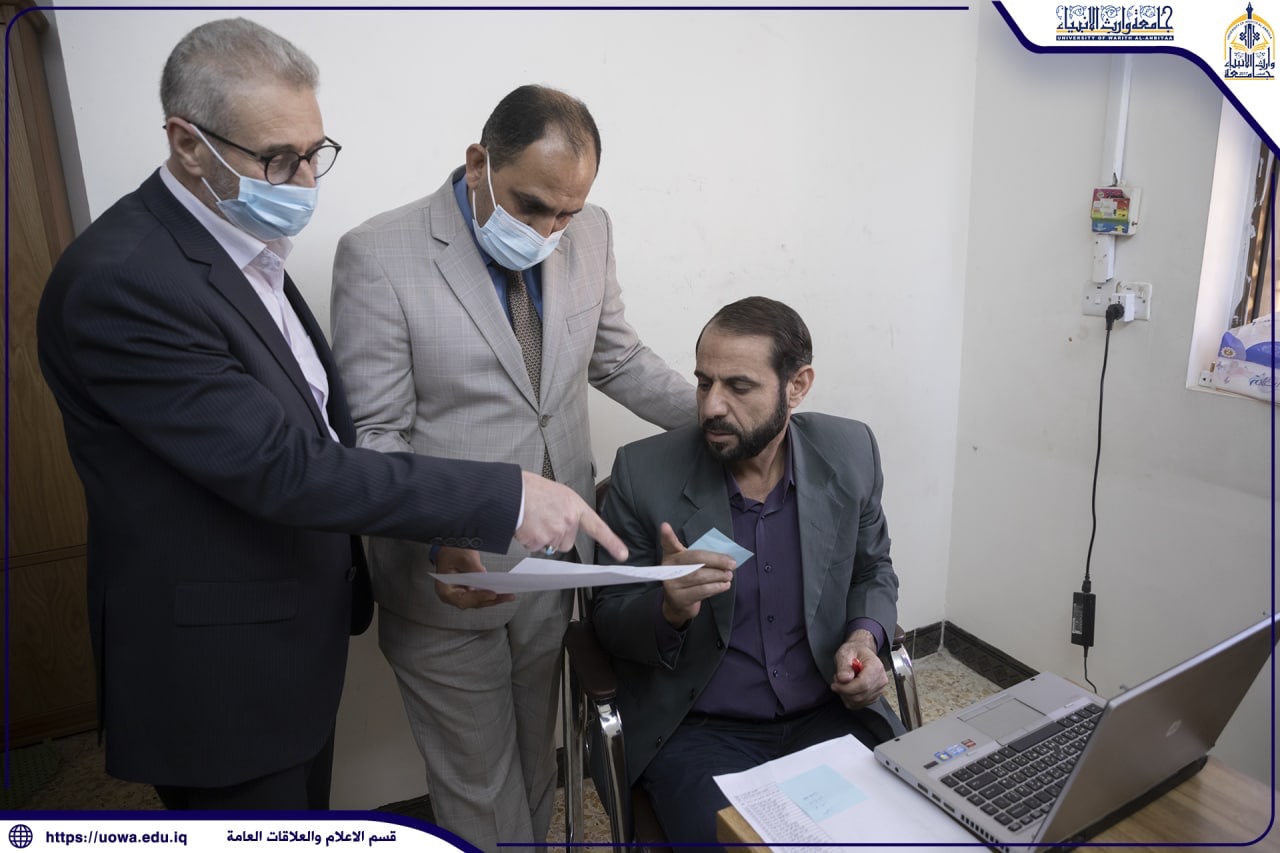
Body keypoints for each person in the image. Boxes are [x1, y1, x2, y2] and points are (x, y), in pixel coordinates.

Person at [35, 19, 623, 812]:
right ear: (187, 144)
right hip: (220, 666)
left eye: (316, 151)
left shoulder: (238, 247)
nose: (307, 179)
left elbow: (318, 422)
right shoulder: (126, 280)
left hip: (292, 635)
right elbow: (283, 465)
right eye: (279, 159)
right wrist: (502, 495)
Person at [329, 85, 695, 849]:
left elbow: (617, 356)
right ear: (479, 164)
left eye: (566, 213)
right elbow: (375, 437)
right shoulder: (379, 255)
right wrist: (440, 533)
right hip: (445, 571)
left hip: (550, 564)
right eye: (532, 207)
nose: (549, 231)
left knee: (534, 761)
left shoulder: (590, 231)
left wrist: (722, 416)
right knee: (478, 785)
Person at [591, 296, 905, 847]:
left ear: (797, 386)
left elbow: (872, 568)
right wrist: (668, 608)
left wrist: (864, 639)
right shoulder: (643, 473)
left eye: (738, 386)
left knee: (912, 828)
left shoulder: (849, 452)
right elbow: (608, 619)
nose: (711, 406)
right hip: (699, 733)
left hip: (829, 714)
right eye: (703, 382)